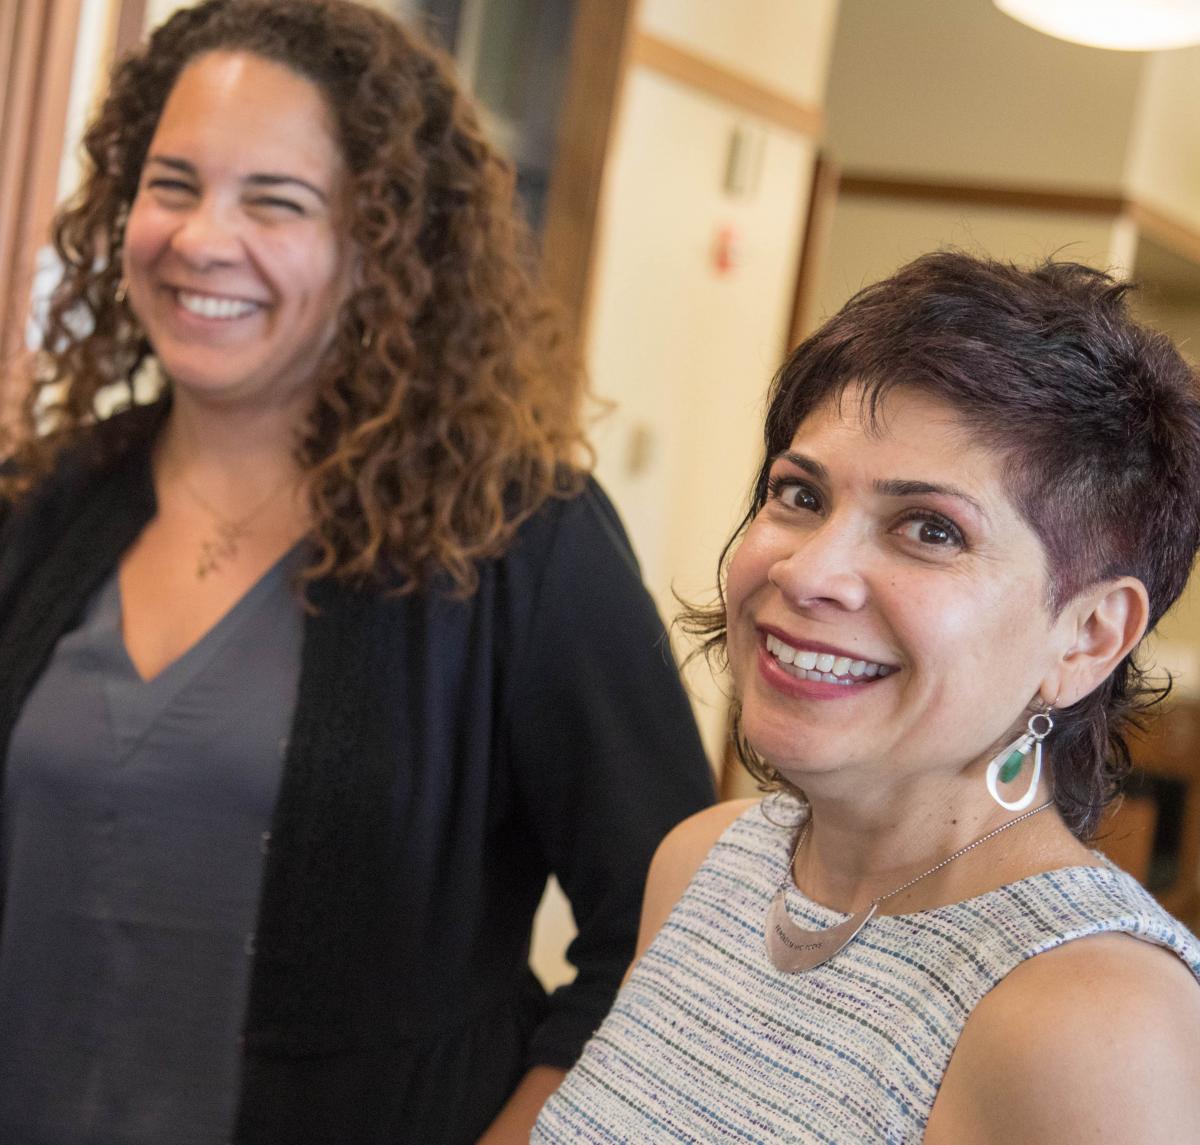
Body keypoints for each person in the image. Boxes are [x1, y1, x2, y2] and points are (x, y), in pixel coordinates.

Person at [0, 2, 715, 1142]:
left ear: (379, 241)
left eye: (274, 201)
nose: (199, 238)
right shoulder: (47, 504)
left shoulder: (522, 540)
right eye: (172, 183)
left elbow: (674, 936)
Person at [534, 252, 1200, 1143]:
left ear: (1085, 636)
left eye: (931, 529)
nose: (808, 572)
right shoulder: (706, 862)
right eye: (799, 494)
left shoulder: (1091, 1016)